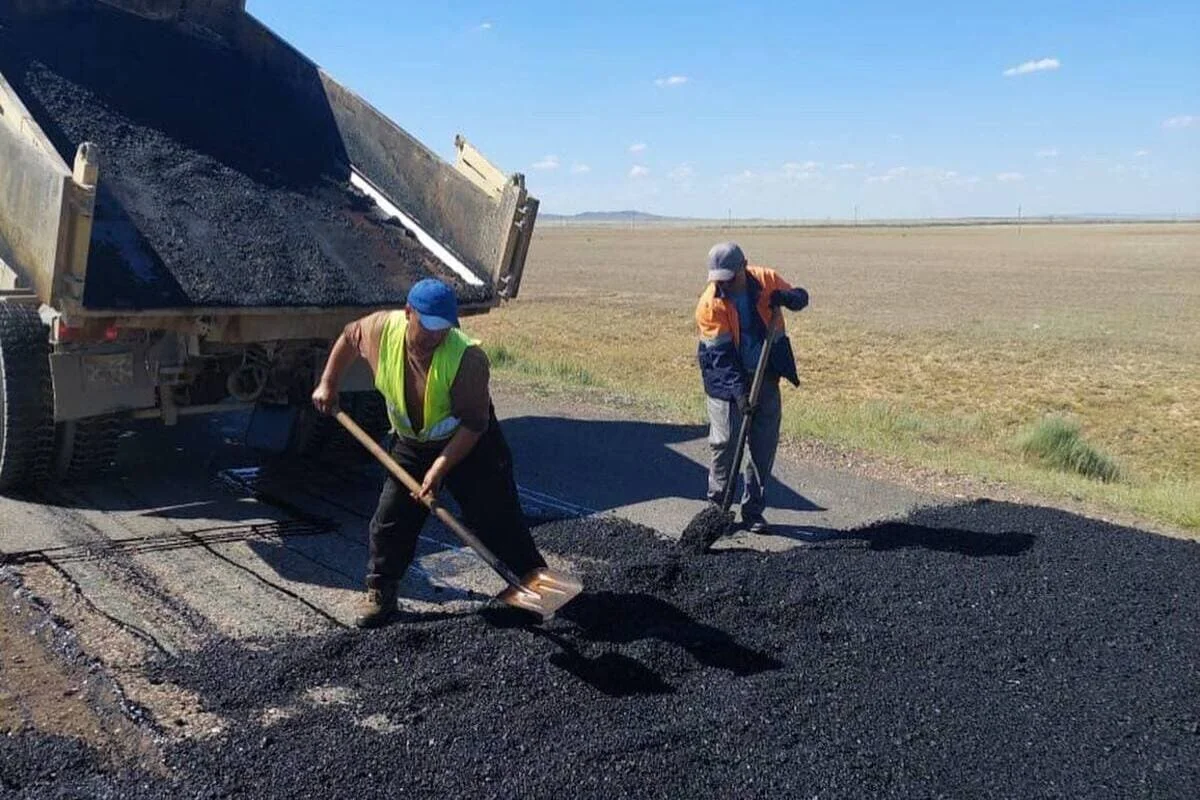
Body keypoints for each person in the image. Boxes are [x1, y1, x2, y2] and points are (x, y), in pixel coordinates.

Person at [311, 278, 547, 628]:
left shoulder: (467, 359)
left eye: (443, 330)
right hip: (412, 441)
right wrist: (329, 383)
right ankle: (381, 591)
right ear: (409, 313)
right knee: (390, 519)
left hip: (471, 441)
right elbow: (349, 336)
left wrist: (439, 469)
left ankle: (533, 582)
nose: (435, 338)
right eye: (429, 327)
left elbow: (474, 425)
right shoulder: (381, 329)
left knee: (494, 516)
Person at [694, 242, 809, 534]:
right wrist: (740, 395)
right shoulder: (709, 305)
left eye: (730, 277)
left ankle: (753, 510)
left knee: (763, 444)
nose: (726, 284)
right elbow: (721, 359)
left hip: (765, 374)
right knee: (725, 443)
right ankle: (716, 511)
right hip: (726, 381)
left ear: (744, 266)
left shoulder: (767, 279)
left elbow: (801, 297)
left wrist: (789, 298)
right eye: (720, 279)